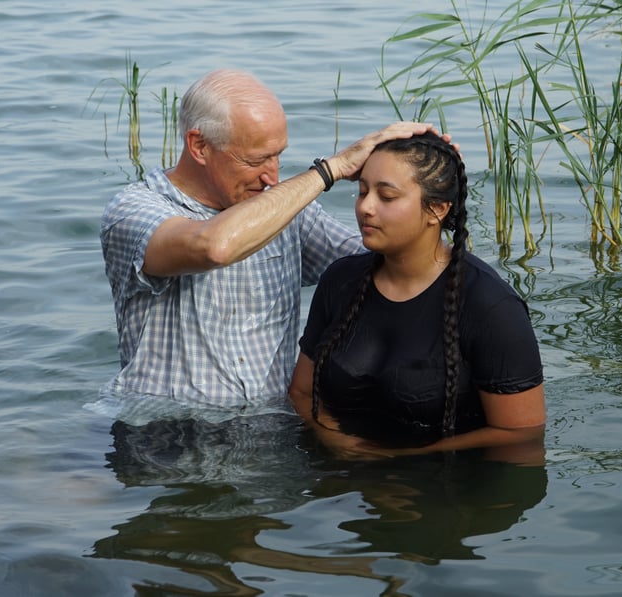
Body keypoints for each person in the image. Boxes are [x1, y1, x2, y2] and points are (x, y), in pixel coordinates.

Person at [100, 68, 436, 409]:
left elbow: (391, 267)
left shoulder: (287, 211)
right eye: (256, 160)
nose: (271, 176)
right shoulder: (132, 210)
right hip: (164, 433)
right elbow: (214, 247)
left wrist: (420, 193)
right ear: (199, 146)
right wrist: (329, 171)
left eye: (278, 156)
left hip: (269, 428)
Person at [289, 131, 546, 458]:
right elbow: (300, 391)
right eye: (362, 191)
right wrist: (338, 440)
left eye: (387, 196)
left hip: (443, 483)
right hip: (344, 472)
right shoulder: (340, 281)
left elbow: (520, 431)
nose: (365, 207)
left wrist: (403, 459)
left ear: (436, 209)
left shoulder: (490, 307)